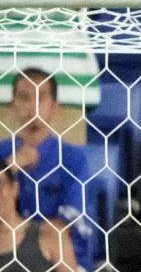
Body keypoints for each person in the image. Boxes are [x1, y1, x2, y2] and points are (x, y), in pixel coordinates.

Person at [0, 69, 85, 242]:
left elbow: (71, 222)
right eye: (24, 97)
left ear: (55, 106)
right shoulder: (2, 152)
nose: (33, 105)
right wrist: (10, 166)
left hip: (61, 257)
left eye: (41, 97)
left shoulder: (73, 159)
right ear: (13, 105)